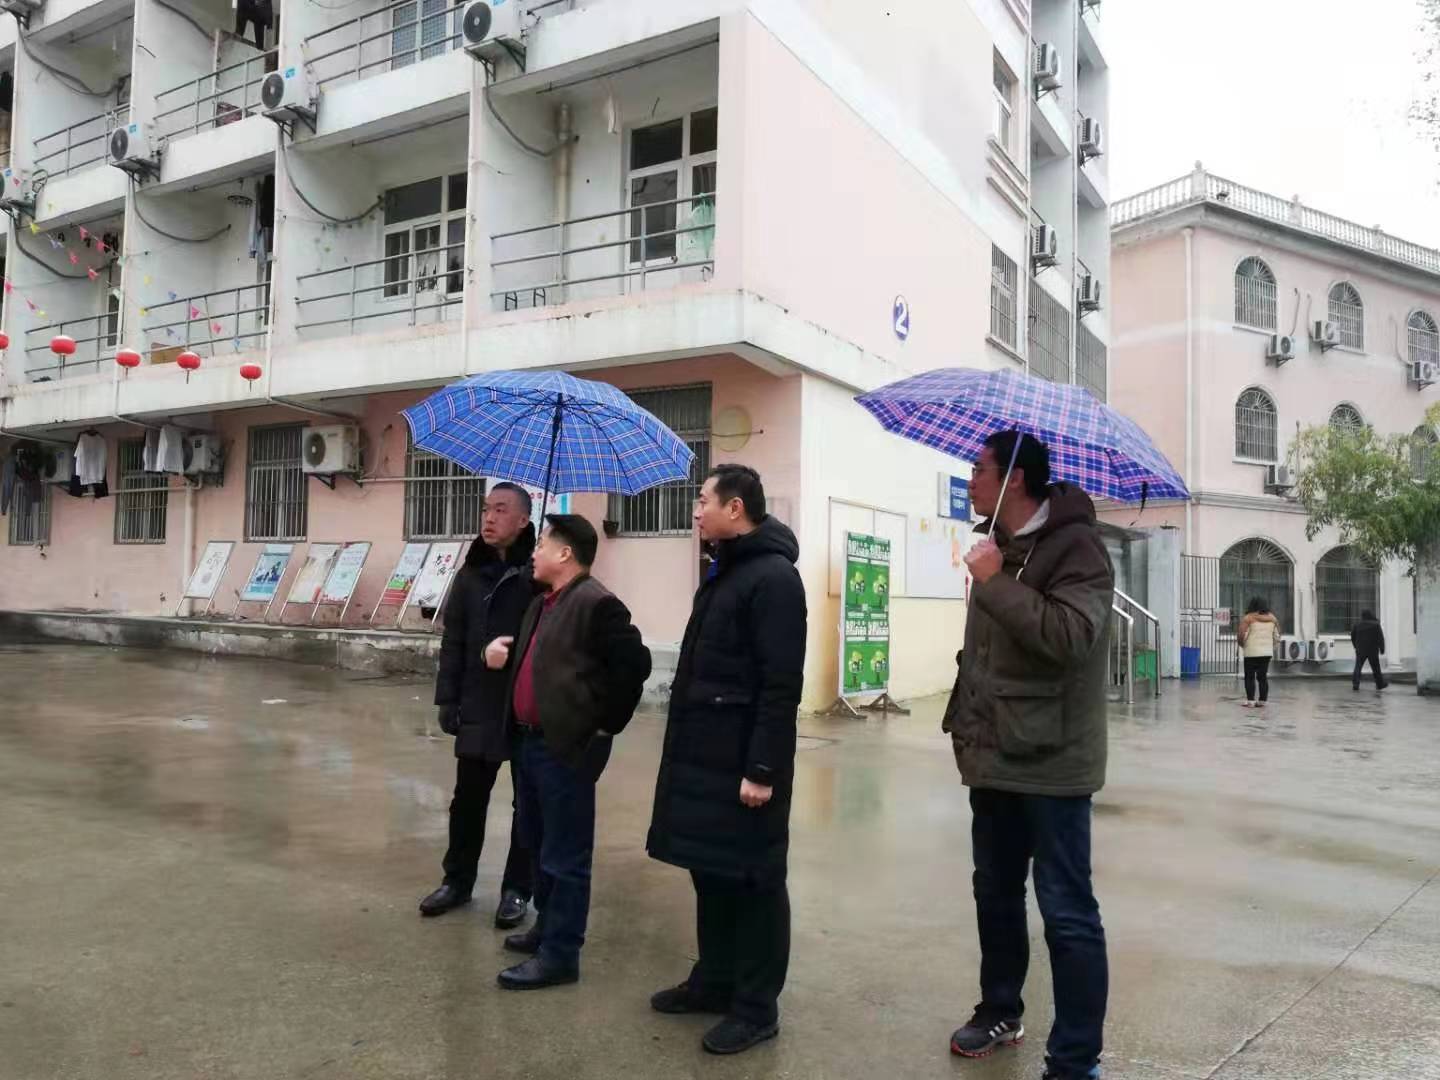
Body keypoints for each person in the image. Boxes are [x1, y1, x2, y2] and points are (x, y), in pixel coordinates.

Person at [946, 431, 1114, 1080]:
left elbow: (1070, 637)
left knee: (1067, 912)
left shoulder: (1078, 547)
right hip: (993, 754)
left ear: (1015, 477)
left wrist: (993, 582)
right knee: (994, 892)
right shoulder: (999, 545)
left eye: (978, 469)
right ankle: (1000, 1010)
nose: (970, 481)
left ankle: (1075, 1061)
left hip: (1052, 762)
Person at [647, 465, 807, 1056]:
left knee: (755, 881)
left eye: (702, 500)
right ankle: (714, 981)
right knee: (710, 871)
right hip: (706, 756)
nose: (695, 511)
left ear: (735, 508)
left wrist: (762, 769)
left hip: (744, 763)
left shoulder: (774, 579)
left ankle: (756, 1008)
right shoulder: (726, 572)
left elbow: (779, 685)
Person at [493, 514, 651, 990]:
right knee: (538, 844)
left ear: (565, 554)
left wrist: (603, 729)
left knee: (565, 855)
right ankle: (546, 929)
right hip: (528, 744)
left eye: (541, 544)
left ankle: (561, 955)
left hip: (564, 748)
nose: (534, 552)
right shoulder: (542, 602)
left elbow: (634, 666)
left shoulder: (598, 604)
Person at [420, 483, 537, 926]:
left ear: (523, 521)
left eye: (501, 510)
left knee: (527, 804)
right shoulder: (470, 574)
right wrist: (448, 699)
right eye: (487, 509)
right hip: (479, 700)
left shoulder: (537, 576)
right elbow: (454, 641)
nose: (489, 518)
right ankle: (457, 881)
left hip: (523, 704)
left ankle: (516, 890)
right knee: (467, 799)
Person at [1236, 597, 1279, 708]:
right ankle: (1262, 701)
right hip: (1266, 653)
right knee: (1262, 677)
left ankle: (1250, 701)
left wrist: (1242, 644)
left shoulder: (1248, 618)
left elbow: (1242, 635)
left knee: (1249, 677)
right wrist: (1270, 647)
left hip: (1251, 652)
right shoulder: (1273, 619)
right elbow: (1276, 636)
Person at [1351, 609, 1388, 691]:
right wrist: (1382, 649)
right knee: (1376, 668)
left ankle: (1355, 684)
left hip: (1361, 649)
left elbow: (1353, 636)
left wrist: (1356, 646)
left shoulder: (1357, 625)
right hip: (1373, 650)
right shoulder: (1376, 625)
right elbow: (1380, 637)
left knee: (1358, 666)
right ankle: (1380, 684)